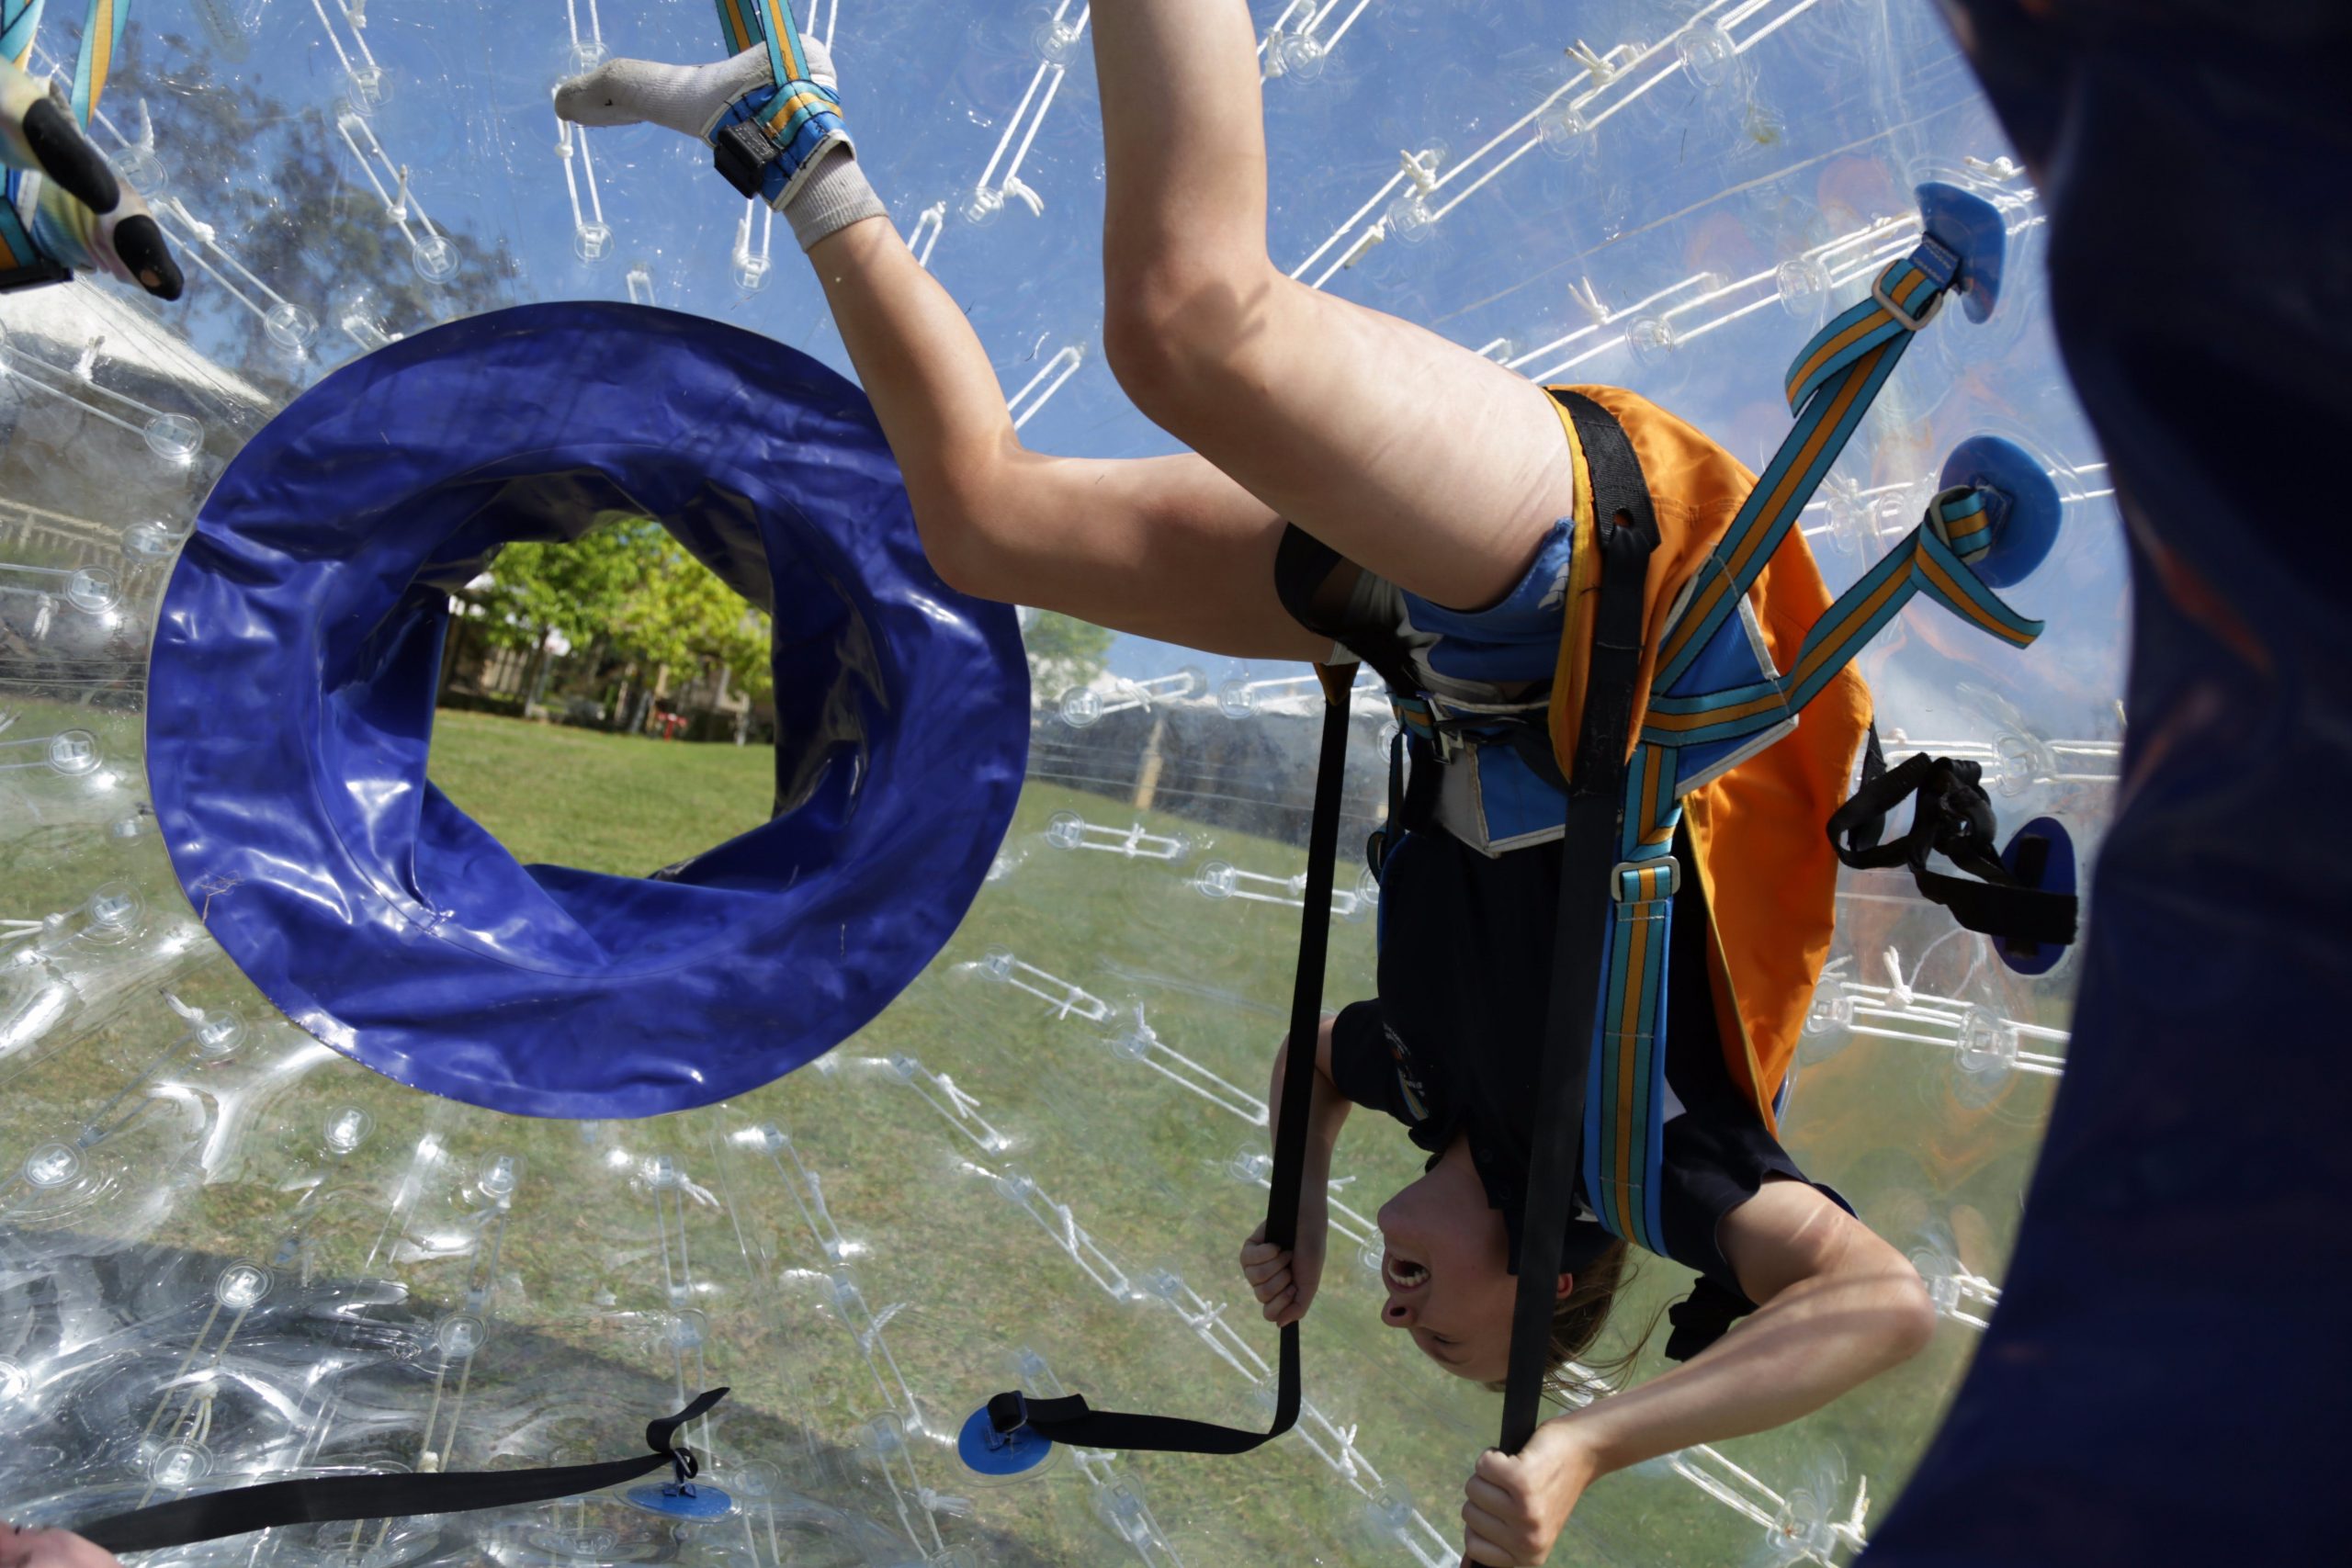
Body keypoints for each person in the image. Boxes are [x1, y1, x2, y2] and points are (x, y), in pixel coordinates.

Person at [558, 5, 1937, 1562]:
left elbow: (1316, 1059)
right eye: (1452, 1339)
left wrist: (1300, 1181)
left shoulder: (1426, 1082)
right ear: (1551, 1277)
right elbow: (1880, 1302)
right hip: (1608, 591)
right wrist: (1584, 1448)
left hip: (1441, 639)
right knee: (1188, 323)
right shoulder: (1646, 1167)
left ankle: (788, 139)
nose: (1402, 1316)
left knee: (986, 523)